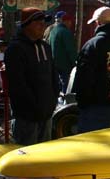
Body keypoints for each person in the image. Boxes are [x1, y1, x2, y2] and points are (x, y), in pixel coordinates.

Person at [4, 8, 58, 145]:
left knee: (44, 152)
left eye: (44, 22)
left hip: (46, 113)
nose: (43, 26)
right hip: (26, 117)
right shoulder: (15, 49)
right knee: (26, 153)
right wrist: (32, 107)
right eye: (38, 23)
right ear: (27, 25)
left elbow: (53, 75)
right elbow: (17, 84)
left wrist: (53, 101)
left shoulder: (45, 47)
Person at [47, 10, 77, 96]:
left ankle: (58, 99)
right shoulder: (65, 32)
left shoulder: (53, 31)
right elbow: (70, 50)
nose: (70, 24)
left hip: (54, 63)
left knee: (57, 84)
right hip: (65, 64)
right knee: (66, 84)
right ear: (66, 21)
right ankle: (64, 99)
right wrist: (75, 63)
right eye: (70, 21)